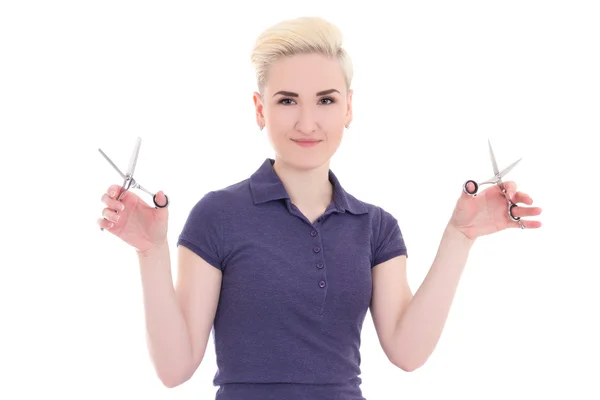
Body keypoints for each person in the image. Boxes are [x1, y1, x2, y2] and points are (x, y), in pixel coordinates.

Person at [97, 16, 542, 400]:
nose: (307, 122)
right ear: (260, 109)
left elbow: (407, 352)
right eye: (287, 100)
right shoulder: (217, 216)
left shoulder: (376, 227)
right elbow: (174, 370)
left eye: (326, 100)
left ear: (349, 108)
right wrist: (150, 251)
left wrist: (459, 237)